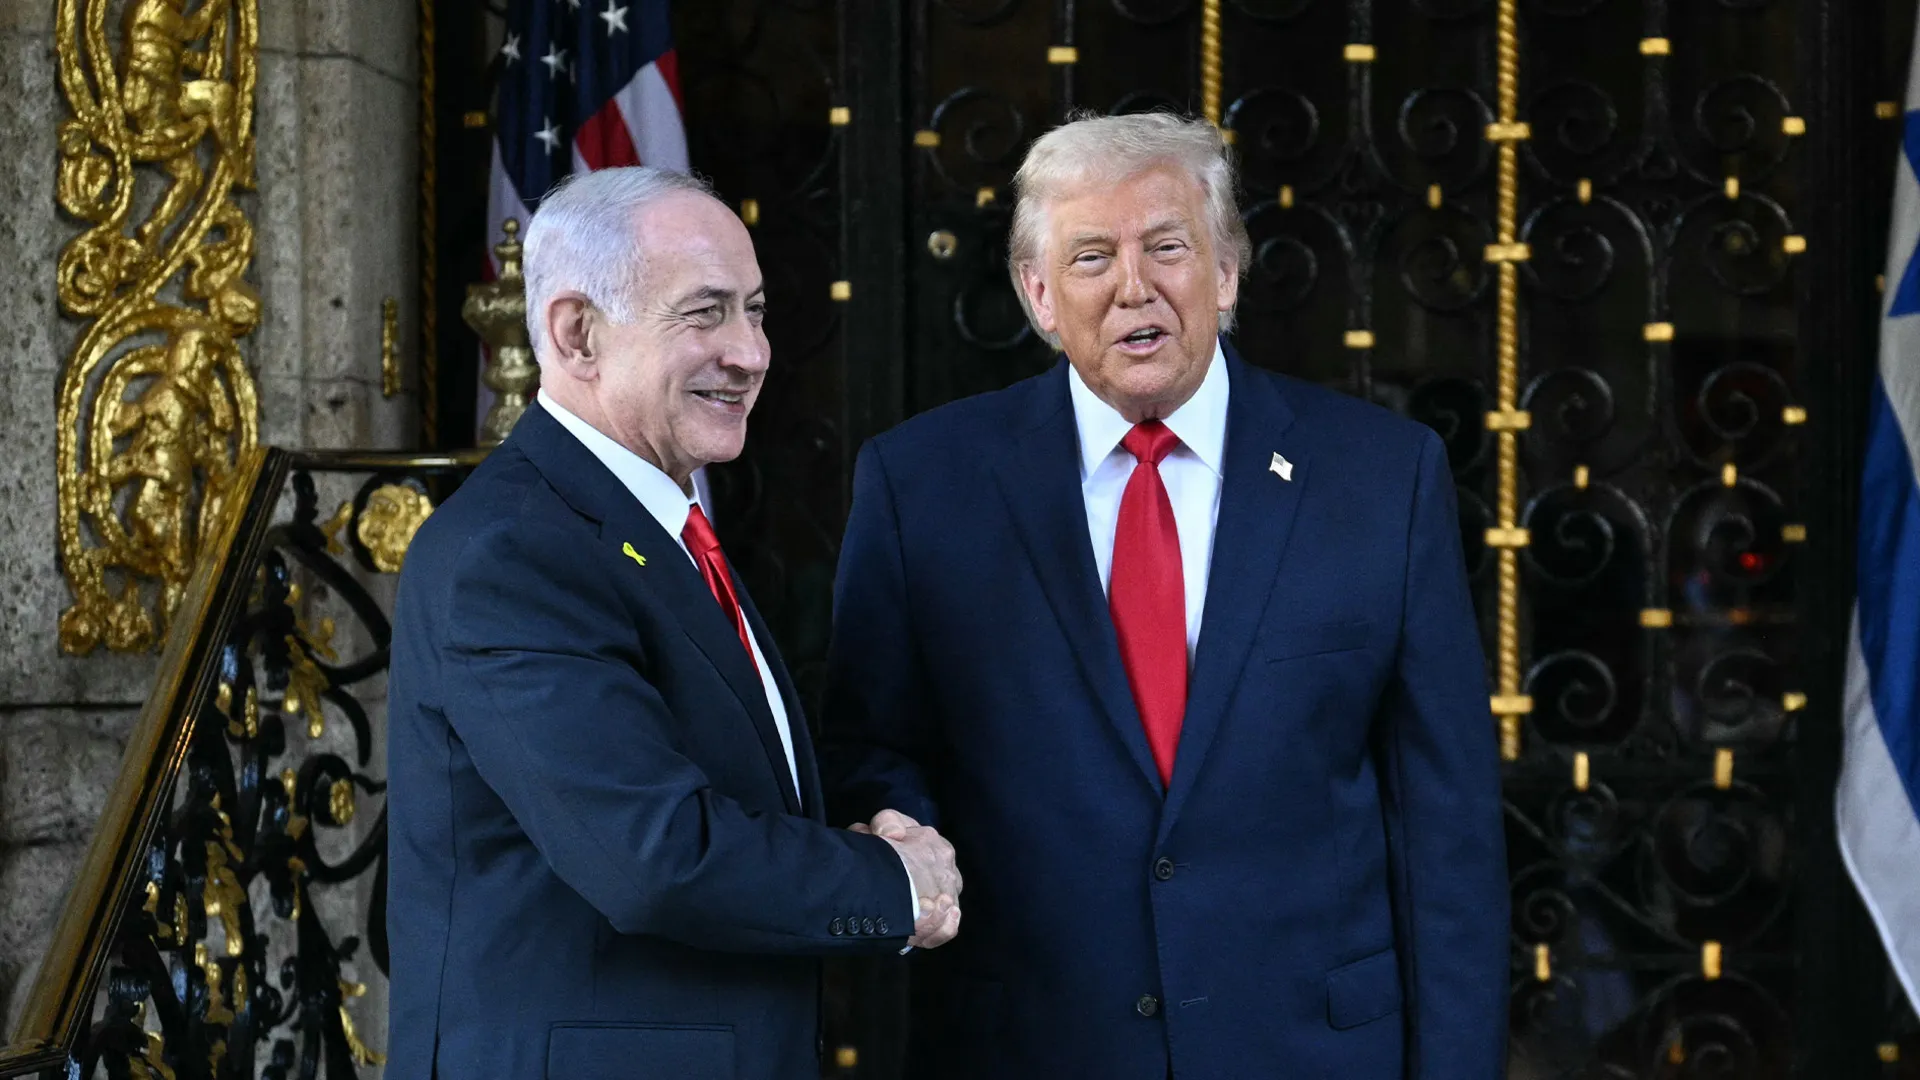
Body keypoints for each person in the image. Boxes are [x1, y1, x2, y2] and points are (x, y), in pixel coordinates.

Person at [823, 112, 1508, 1078]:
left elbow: (1447, 825)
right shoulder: (922, 484)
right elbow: (871, 747)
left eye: (1167, 247)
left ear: (1226, 272)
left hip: (1309, 1050)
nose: (1133, 286)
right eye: (1091, 257)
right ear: (1038, 295)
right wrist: (903, 836)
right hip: (1035, 1045)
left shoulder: (1381, 478)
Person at [385, 166, 962, 1080]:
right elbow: (652, 857)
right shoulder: (513, 552)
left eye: (756, 312)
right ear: (577, 334)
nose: (751, 353)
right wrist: (893, 885)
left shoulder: (654, 529)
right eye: (705, 314)